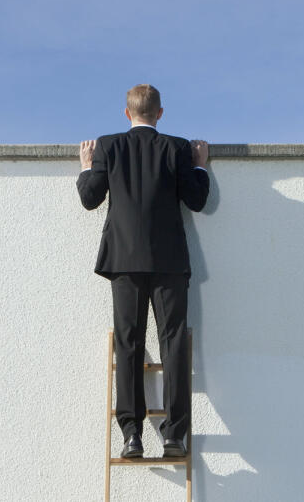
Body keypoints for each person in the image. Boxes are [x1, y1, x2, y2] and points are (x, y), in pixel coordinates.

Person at [77, 84, 211, 458]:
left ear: (126, 113)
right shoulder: (177, 148)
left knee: (129, 345)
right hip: (168, 262)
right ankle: (174, 436)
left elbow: (90, 198)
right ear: (160, 113)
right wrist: (199, 164)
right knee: (173, 344)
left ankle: (131, 435)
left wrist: (87, 167)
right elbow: (197, 200)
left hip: (123, 263)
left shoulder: (108, 146)